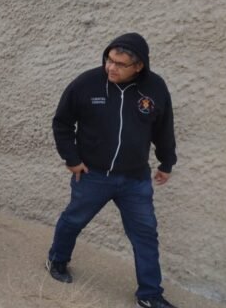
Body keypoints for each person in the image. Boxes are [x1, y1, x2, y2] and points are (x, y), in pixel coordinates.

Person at [47, 33, 178, 308]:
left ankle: (150, 294)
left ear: (139, 66)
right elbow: (62, 123)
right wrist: (71, 158)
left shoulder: (155, 88)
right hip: (93, 175)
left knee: (145, 235)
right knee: (73, 220)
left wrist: (166, 162)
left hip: (135, 180)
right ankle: (57, 260)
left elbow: (163, 128)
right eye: (109, 60)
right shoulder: (87, 83)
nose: (111, 67)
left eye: (120, 64)